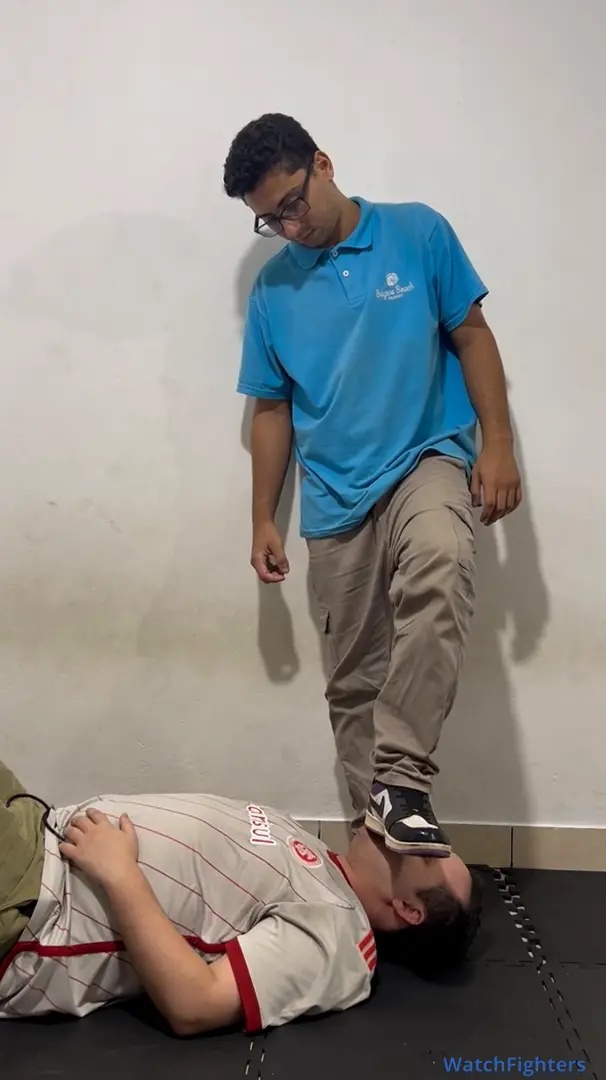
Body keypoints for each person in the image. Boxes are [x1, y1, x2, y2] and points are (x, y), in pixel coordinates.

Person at [223, 113, 522, 857]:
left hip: (426, 457)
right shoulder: (272, 290)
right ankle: (378, 849)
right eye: (269, 220)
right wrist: (263, 516)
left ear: (323, 164)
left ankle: (402, 780)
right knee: (353, 680)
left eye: (292, 204)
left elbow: (472, 334)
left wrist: (499, 443)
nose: (289, 227)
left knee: (442, 562)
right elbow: (272, 408)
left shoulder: (418, 233)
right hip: (333, 493)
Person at [0, 760, 481, 1034]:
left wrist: (121, 874)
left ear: (408, 909)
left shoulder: (340, 935)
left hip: (38, 904)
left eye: (428, 854)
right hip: (33, 824)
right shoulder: (317, 854)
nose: (414, 832)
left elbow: (197, 1004)